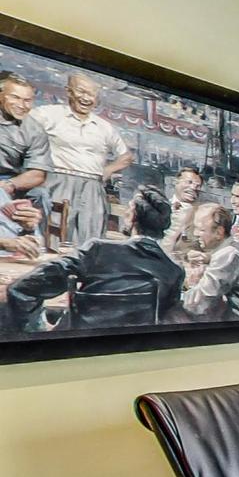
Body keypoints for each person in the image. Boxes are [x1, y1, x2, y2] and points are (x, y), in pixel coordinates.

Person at [5, 185, 183, 330]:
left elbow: (23, 288)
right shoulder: (174, 271)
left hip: (70, 346)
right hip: (133, 351)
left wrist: (40, 331)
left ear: (132, 217)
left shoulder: (99, 250)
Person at [31, 72, 133, 246]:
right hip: (58, 180)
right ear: (69, 92)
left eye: (91, 94)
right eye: (81, 92)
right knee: (54, 237)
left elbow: (126, 156)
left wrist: (108, 170)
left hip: (93, 186)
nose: (86, 98)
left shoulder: (104, 127)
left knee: (91, 237)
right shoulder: (48, 114)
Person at [181, 202, 239, 321]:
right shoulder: (232, 245)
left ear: (219, 232)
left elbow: (196, 305)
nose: (195, 234)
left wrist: (189, 284)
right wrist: (207, 258)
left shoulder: (227, 255)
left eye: (201, 229)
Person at [0, 70, 53, 241]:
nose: (22, 105)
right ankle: (10, 243)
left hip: (11, 182)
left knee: (41, 195)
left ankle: (34, 241)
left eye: (27, 100)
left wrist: (9, 184)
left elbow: (38, 173)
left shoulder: (34, 130)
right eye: (15, 97)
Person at [160, 165, 204, 260]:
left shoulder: (202, 215)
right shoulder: (161, 206)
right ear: (176, 182)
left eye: (198, 186)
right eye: (189, 182)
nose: (193, 187)